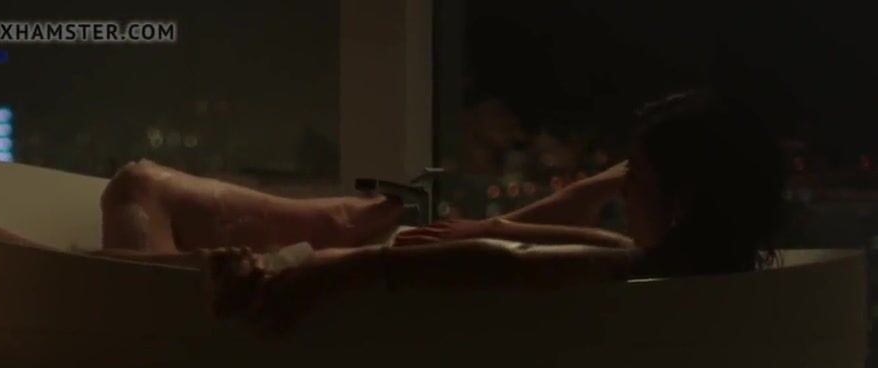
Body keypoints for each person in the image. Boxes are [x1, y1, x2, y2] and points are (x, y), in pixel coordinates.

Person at [205, 89, 787, 334]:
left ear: (682, 202)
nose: (624, 192)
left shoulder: (634, 274)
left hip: (311, 292)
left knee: (157, 207)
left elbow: (506, 262)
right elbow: (574, 245)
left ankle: (262, 268)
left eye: (635, 178)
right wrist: (495, 224)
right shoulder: (706, 273)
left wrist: (323, 276)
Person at [0, 91, 408, 260]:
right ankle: (340, 231)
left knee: (141, 189)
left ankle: (340, 227)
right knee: (135, 185)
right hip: (122, 322)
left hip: (114, 297)